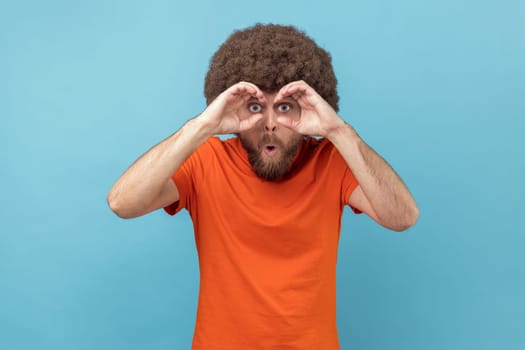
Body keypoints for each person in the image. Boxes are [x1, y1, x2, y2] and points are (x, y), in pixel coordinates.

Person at [107, 23, 419, 350]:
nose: (269, 124)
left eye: (283, 107)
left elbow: (402, 217)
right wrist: (202, 126)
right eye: (256, 107)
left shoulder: (332, 162)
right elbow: (122, 203)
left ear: (307, 109)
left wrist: (337, 130)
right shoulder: (206, 161)